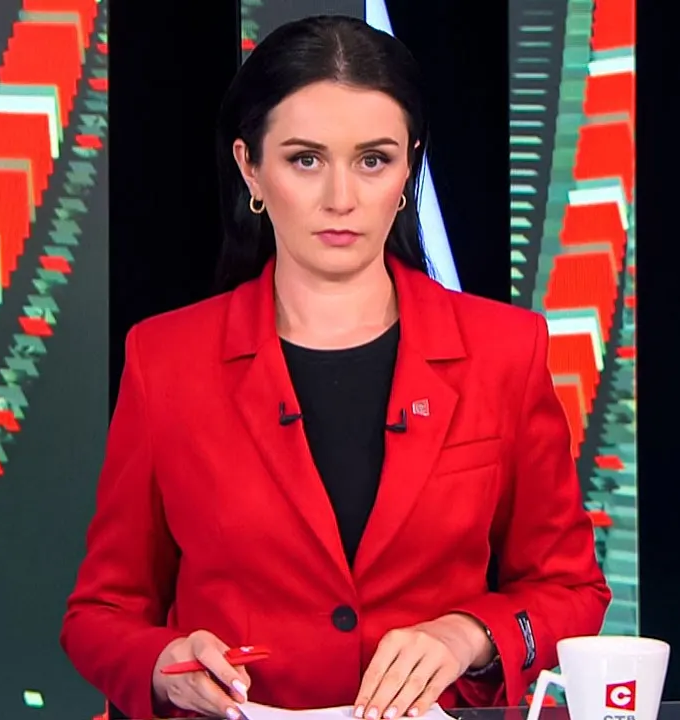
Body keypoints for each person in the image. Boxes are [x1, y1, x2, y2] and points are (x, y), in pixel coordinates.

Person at [61, 15, 610, 720]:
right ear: (250, 167)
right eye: (305, 160)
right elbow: (101, 613)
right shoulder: (165, 359)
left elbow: (571, 591)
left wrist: (467, 634)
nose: (341, 199)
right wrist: (164, 667)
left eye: (373, 160)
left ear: (408, 169)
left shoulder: (505, 349)